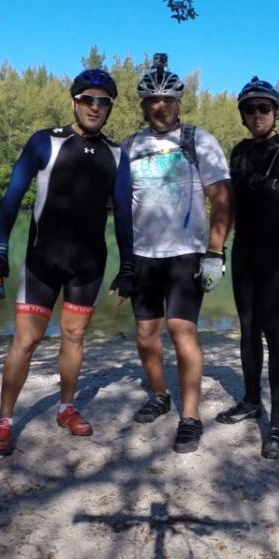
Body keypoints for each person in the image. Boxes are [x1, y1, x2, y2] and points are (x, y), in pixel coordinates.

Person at [0, 67, 132, 456]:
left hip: (89, 263)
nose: (95, 107)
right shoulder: (44, 141)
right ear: (74, 101)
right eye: (88, 99)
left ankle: (66, 407)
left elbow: (125, 216)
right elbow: (12, 198)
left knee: (74, 336)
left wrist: (128, 265)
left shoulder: (117, 154)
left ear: (110, 108)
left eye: (103, 102)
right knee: (27, 340)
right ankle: (5, 419)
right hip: (42, 260)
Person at [111, 53, 232, 454]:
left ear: (179, 102)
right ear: (143, 105)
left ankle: (191, 416)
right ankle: (161, 395)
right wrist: (125, 264)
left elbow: (221, 199)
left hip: (186, 253)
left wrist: (216, 253)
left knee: (183, 331)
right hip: (145, 255)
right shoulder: (130, 146)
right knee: (146, 332)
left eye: (167, 99)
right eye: (152, 100)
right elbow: (122, 210)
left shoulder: (199, 140)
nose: (160, 106)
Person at [216, 77, 279, 459]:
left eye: (264, 107)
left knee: (276, 334)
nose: (257, 114)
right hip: (245, 253)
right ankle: (250, 400)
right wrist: (218, 248)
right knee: (247, 331)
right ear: (242, 115)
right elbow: (228, 207)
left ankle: (278, 422)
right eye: (249, 108)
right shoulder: (239, 152)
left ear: (276, 112)